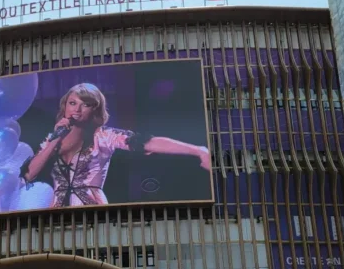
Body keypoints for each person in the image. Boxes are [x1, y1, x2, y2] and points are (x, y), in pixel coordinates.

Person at [22, 83, 211, 207]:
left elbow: (148, 142)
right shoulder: (53, 139)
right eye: (72, 103)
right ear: (65, 106)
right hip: (57, 214)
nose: (77, 109)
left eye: (85, 104)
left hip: (93, 210)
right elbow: (30, 174)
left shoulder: (104, 136)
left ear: (95, 110)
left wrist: (197, 151)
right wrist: (55, 139)